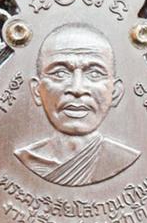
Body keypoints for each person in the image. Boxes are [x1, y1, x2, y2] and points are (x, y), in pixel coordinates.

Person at [14, 23, 140, 186]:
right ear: (37, 90)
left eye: (94, 73)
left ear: (115, 92)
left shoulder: (124, 160)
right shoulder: (24, 158)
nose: (77, 89)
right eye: (60, 73)